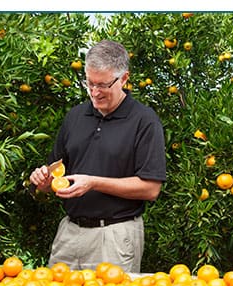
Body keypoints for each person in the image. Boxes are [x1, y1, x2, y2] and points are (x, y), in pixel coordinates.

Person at [29, 39, 166, 273]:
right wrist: (43, 181)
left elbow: (151, 189)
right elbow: (55, 174)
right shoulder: (75, 116)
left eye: (102, 85)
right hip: (69, 234)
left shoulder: (144, 120)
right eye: (89, 83)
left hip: (115, 236)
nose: (94, 93)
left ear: (124, 79)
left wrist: (94, 183)